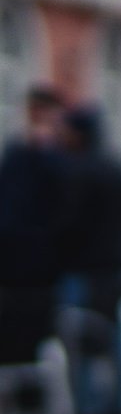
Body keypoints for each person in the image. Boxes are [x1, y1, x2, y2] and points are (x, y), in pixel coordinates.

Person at [51, 104, 121, 414]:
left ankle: (85, 403)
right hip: (117, 262)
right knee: (116, 332)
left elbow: (68, 222)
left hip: (83, 265)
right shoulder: (119, 169)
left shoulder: (75, 171)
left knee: (81, 334)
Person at [0, 84, 76, 288]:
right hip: (12, 252)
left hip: (44, 257)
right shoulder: (16, 150)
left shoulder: (62, 154)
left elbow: (65, 202)